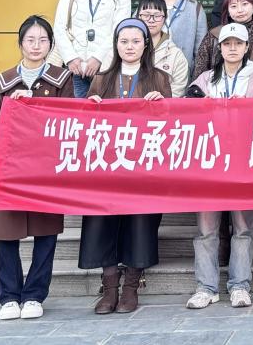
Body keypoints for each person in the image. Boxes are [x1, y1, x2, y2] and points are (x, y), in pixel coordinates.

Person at [0, 16, 74, 320]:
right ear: (20, 43)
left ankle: (34, 294)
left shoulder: (61, 79)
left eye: (43, 40)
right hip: (9, 168)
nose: (36, 46)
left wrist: (33, 101)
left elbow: (68, 119)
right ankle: (9, 296)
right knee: (6, 231)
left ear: (51, 44)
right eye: (30, 40)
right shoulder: (3, 81)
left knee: (45, 233)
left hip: (45, 169)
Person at [78, 18, 171, 314]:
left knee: (140, 223)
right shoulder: (102, 79)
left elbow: (172, 125)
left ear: (146, 45)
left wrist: (162, 104)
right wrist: (90, 107)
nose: (129, 47)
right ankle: (109, 288)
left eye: (136, 41)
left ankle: (131, 287)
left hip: (144, 166)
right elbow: (84, 126)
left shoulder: (159, 78)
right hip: (106, 166)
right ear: (116, 45)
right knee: (101, 222)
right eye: (124, 41)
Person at [187, 23, 253, 309]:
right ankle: (206, 287)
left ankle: (239, 285)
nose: (233, 48)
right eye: (227, 44)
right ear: (220, 48)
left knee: (243, 227)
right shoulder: (204, 80)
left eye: (238, 43)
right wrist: (205, 105)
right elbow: (187, 112)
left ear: (247, 47)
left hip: (243, 161)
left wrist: (245, 109)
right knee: (206, 229)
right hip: (209, 161)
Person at [52, 0, 131, 98]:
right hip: (75, 68)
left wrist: (98, 58)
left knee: (106, 111)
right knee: (77, 111)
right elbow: (59, 28)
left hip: (107, 68)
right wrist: (71, 58)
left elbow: (119, 30)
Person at [158, 0, 208, 72]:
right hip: (151, 73)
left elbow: (201, 50)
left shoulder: (195, 8)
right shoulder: (147, 6)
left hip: (183, 73)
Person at [135, 0, 190, 97]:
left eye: (157, 16)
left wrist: (160, 100)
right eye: (146, 15)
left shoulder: (176, 55)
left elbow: (178, 91)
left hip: (162, 106)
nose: (151, 20)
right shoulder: (124, 49)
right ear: (138, 16)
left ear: (165, 18)